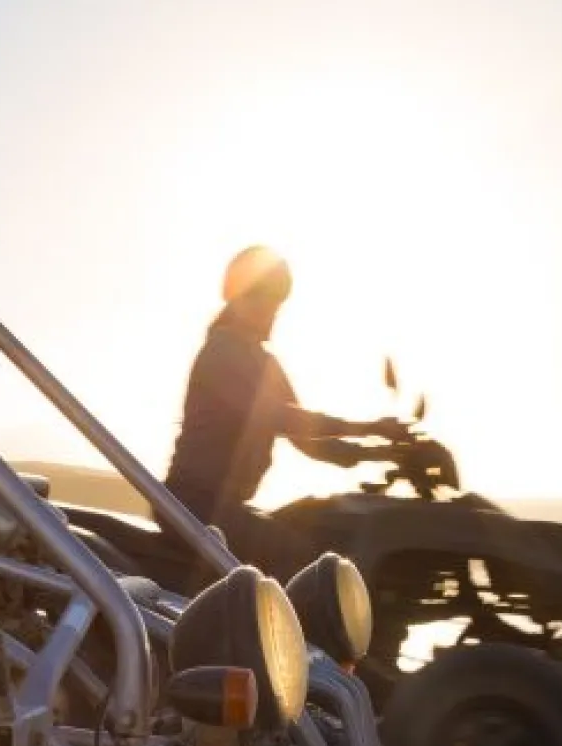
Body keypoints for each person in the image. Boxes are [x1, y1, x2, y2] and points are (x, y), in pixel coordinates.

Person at [162, 245, 403, 581]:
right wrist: (366, 428)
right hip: (193, 505)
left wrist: (380, 453)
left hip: (222, 506)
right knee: (301, 561)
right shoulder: (222, 351)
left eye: (276, 300)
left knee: (314, 531)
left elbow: (307, 439)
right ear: (236, 298)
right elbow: (279, 417)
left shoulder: (264, 362)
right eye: (260, 297)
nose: (270, 309)